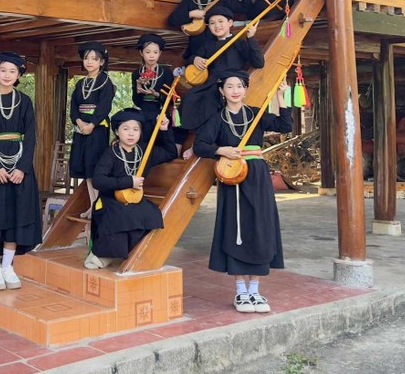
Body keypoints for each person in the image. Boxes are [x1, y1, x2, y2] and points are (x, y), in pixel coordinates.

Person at [191, 70, 292, 313]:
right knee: (235, 227)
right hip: (232, 177)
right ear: (222, 91)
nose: (235, 90)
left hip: (256, 176)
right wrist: (222, 150)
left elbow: (285, 125)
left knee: (259, 226)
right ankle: (240, 292)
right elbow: (200, 145)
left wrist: (282, 97)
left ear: (245, 89)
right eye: (229, 86)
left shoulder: (255, 115)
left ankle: (255, 290)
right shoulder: (217, 119)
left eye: (239, 86)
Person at [0, 52, 41, 291]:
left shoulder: (25, 101)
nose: (7, 75)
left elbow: (32, 135)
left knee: (16, 216)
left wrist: (22, 168)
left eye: (12, 71)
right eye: (3, 70)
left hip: (19, 169)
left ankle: (8, 266)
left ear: (19, 75)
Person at [84, 108, 177, 269]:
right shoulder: (111, 153)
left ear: (140, 132)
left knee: (151, 214)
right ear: (117, 132)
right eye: (125, 129)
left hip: (134, 198)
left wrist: (164, 130)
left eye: (136, 129)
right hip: (110, 199)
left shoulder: (145, 151)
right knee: (122, 215)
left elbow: (170, 153)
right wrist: (128, 181)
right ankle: (104, 255)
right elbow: (99, 181)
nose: (131, 133)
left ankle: (132, 252)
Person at [179, 6, 264, 132]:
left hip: (229, 82)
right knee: (190, 96)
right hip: (212, 81)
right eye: (212, 23)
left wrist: (251, 38)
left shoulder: (239, 42)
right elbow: (189, 59)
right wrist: (195, 59)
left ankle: (208, 134)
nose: (216, 26)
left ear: (230, 23)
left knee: (210, 99)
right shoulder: (208, 44)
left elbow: (259, 62)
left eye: (220, 21)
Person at [168, 0, 251, 61]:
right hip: (197, 49)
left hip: (219, 47)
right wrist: (191, 14)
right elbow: (172, 21)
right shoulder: (188, 1)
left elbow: (245, 8)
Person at [69, 42, 116, 213]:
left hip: (97, 129)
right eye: (87, 58)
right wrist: (80, 123)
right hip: (81, 129)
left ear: (102, 62)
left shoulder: (105, 82)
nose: (89, 62)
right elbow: (73, 106)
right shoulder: (80, 83)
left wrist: (92, 124)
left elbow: (105, 106)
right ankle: (92, 205)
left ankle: (99, 206)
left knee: (94, 167)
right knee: (86, 170)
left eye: (94, 59)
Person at [131, 34, 174, 125]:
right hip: (142, 114)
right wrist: (138, 85)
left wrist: (157, 94)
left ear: (160, 53)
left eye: (155, 52)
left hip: (161, 114)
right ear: (141, 53)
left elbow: (170, 99)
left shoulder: (166, 72)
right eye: (148, 52)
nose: (151, 56)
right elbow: (136, 101)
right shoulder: (136, 73)